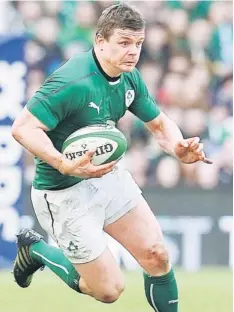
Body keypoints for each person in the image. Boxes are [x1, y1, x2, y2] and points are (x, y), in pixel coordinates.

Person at [12, 4, 212, 312]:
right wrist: (63, 163)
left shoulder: (128, 76)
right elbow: (23, 128)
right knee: (108, 290)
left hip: (106, 175)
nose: (133, 51)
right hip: (62, 191)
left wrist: (177, 147)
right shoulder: (72, 81)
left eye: (138, 44)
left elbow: (159, 124)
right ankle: (36, 250)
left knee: (157, 254)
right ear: (100, 41)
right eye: (124, 43)